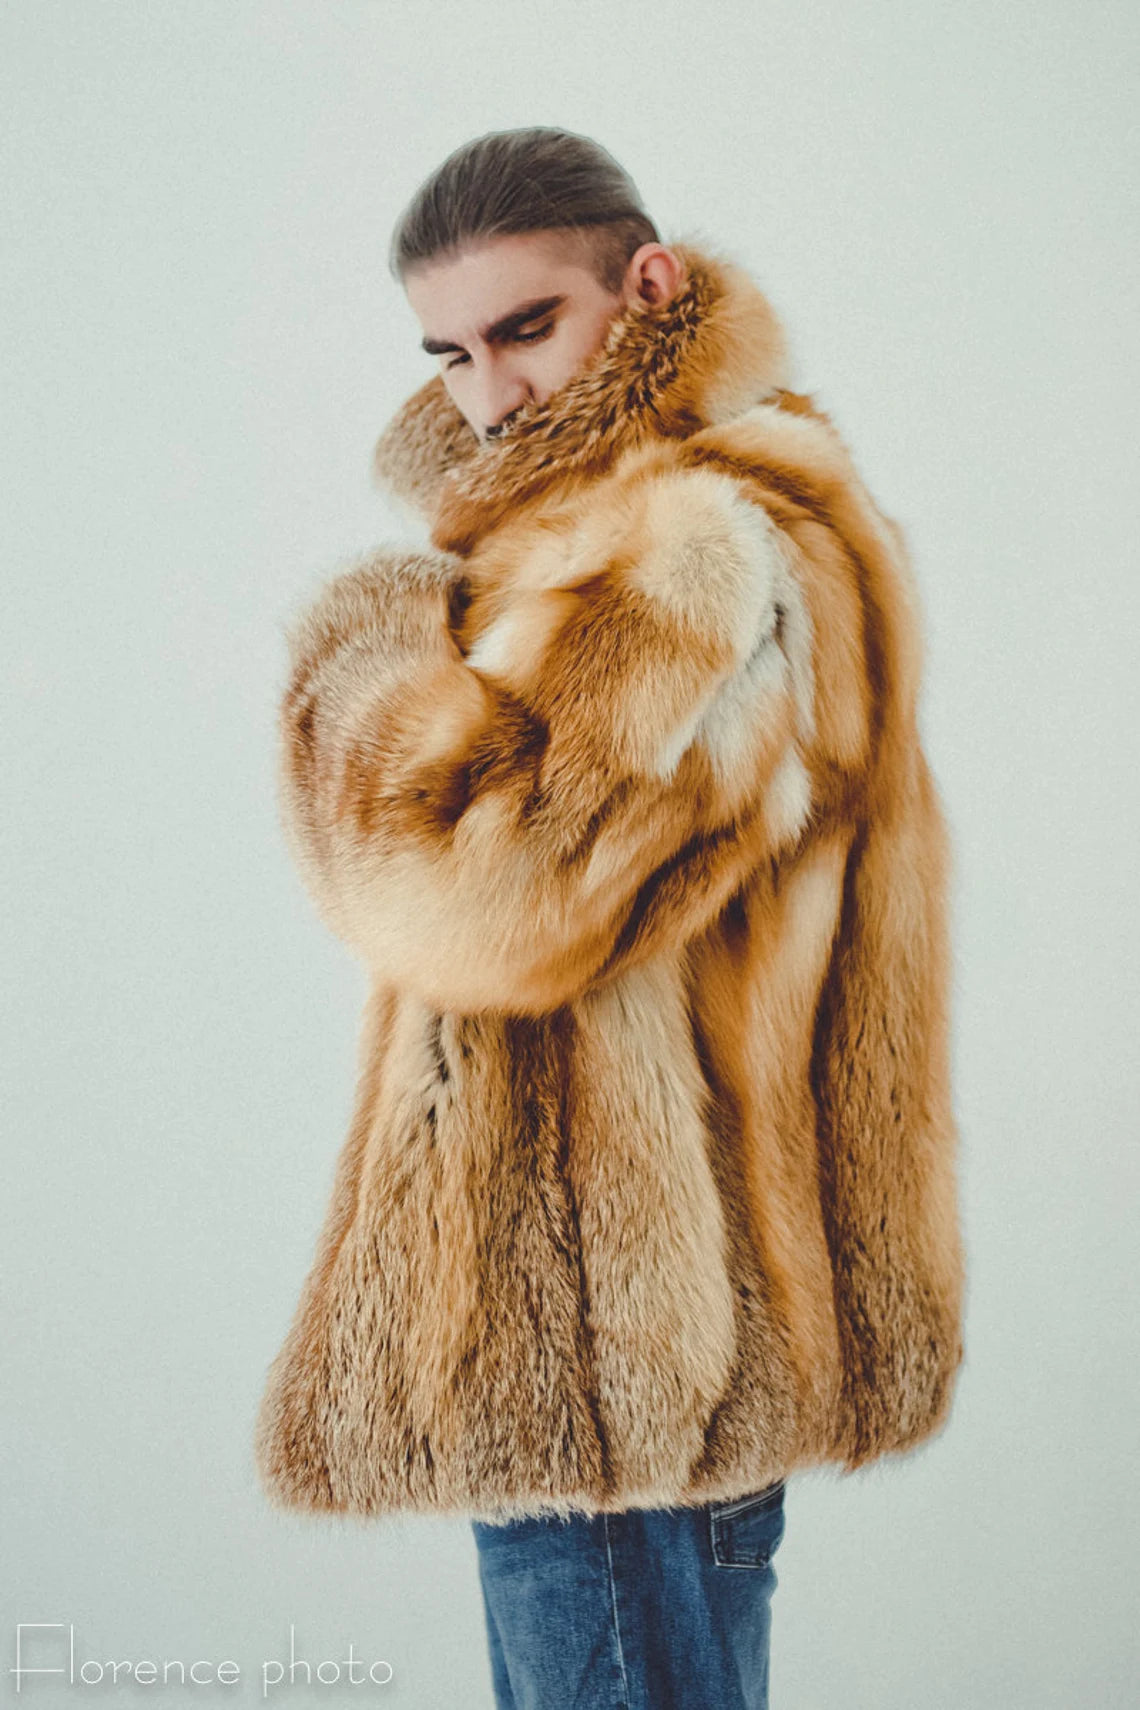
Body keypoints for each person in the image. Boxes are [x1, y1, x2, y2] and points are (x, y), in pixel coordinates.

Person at [253, 127, 967, 1709]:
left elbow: (475, 889)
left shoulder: (693, 540)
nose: (490, 393)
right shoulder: (648, 515)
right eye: (450, 353)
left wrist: (361, 656)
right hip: (619, 1356)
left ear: (646, 286)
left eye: (528, 327)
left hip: (627, 1364)